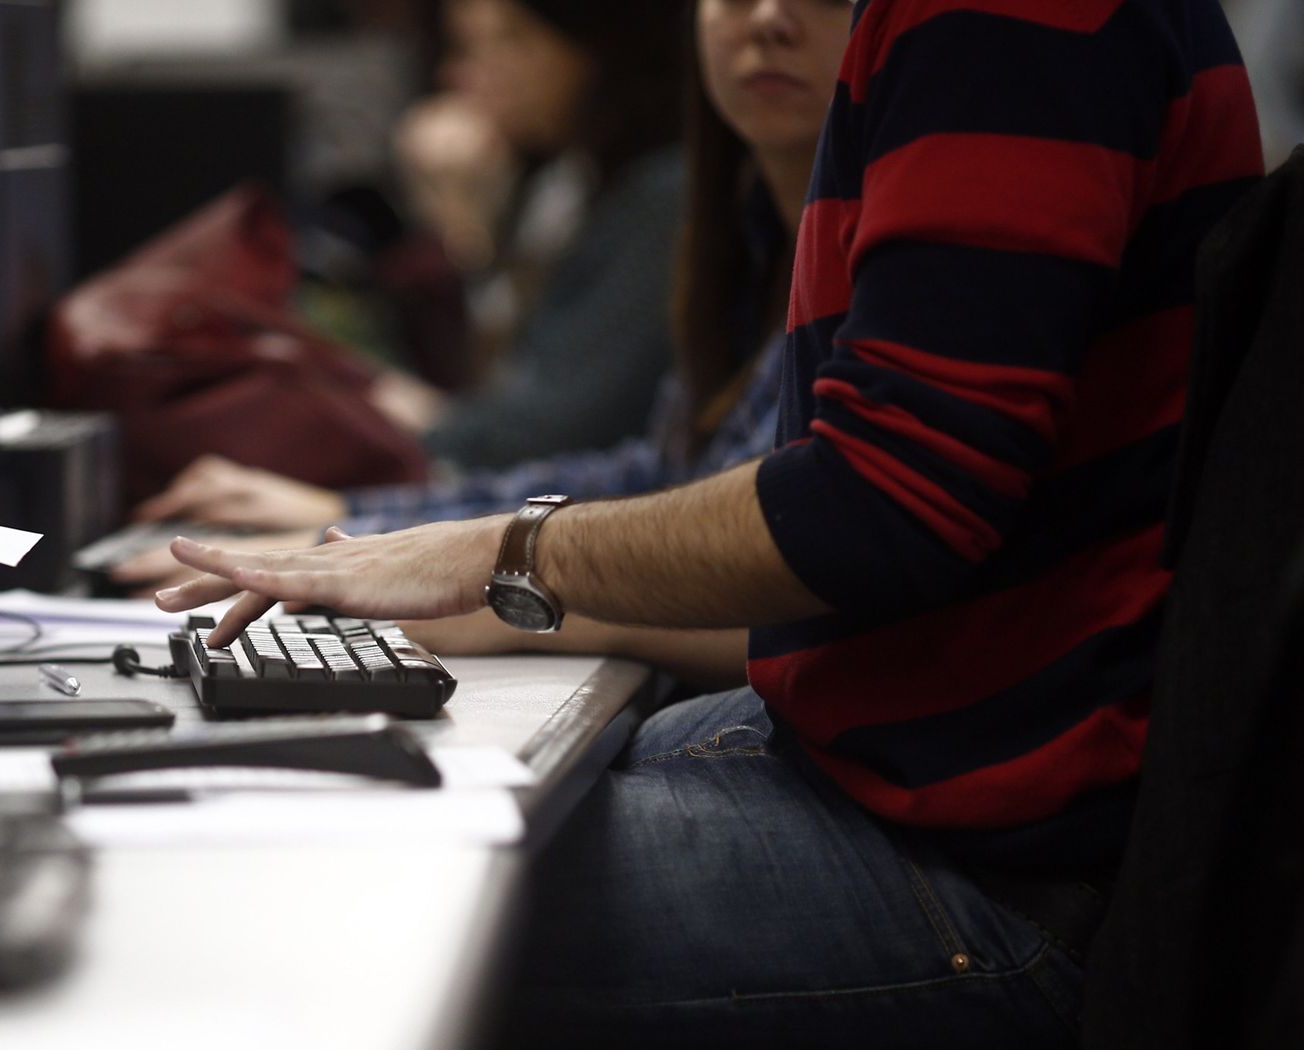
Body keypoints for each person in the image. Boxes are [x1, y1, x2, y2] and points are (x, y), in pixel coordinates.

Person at [154, 0, 1264, 1045]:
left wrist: (505, 563)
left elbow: (880, 507)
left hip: (996, 864)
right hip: (883, 763)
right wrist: (448, 558)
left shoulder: (1000, 24)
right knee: (257, 797)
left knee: (291, 890)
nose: (763, 18)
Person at [114, 0, 852, 679]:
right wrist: (354, 530)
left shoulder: (667, 198)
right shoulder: (734, 217)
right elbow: (658, 471)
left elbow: (530, 430)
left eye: (508, 40)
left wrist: (512, 599)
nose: (768, 21)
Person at [371, 0, 691, 469]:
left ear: (595, 43)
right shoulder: (560, 177)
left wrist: (434, 425)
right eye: (467, 46)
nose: (464, 75)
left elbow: (554, 428)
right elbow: (496, 380)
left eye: (511, 40)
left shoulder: (664, 193)